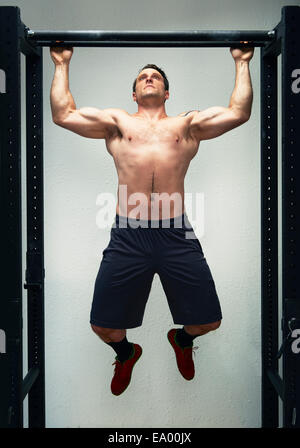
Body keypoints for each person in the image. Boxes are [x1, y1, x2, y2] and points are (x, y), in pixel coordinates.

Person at [50, 46, 254, 395]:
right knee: (103, 327)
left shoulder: (186, 125)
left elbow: (238, 112)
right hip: (128, 234)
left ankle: (182, 340)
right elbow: (63, 113)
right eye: (143, 76)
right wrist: (61, 63)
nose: (149, 78)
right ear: (134, 92)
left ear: (166, 92)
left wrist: (242, 61)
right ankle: (127, 353)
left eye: (155, 76)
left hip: (176, 233)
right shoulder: (117, 124)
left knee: (209, 320)